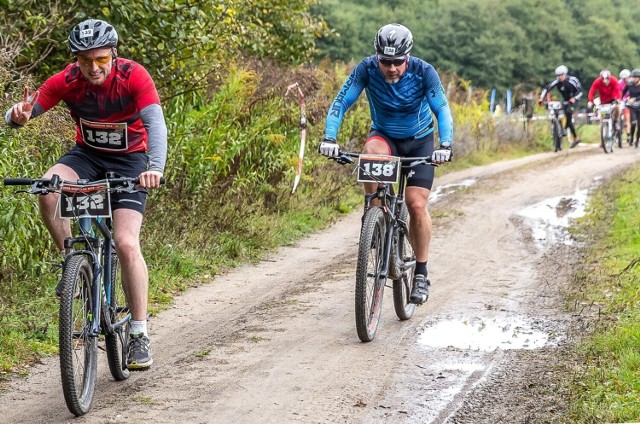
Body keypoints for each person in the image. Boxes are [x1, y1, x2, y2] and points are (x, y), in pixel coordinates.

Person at [4, 19, 167, 370]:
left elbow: (156, 124)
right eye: (85, 60)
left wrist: (154, 167)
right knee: (48, 188)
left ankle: (139, 333)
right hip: (87, 157)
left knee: (125, 242)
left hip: (132, 162)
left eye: (101, 60)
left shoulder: (134, 76)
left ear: (113, 54)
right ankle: (71, 263)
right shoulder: (68, 80)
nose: (93, 68)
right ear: (76, 60)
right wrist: (15, 117)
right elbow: (23, 114)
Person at [318, 23, 453, 305]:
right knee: (370, 153)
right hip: (384, 136)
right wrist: (329, 138)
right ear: (377, 57)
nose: (391, 68)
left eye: (397, 62)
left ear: (407, 58)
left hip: (419, 140)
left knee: (416, 203)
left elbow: (441, 107)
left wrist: (445, 145)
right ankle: (375, 217)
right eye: (385, 62)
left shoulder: (424, 72)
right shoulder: (366, 69)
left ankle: (421, 272)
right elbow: (341, 102)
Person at [538, 65, 583, 148]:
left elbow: (580, 92)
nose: (559, 77)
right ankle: (558, 129)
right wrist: (541, 98)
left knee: (568, 113)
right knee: (557, 110)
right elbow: (546, 88)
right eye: (558, 76)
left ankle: (572, 135)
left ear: (565, 74)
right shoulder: (557, 82)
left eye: (561, 75)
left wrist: (574, 98)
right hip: (565, 100)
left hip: (574, 100)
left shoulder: (572, 80)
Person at [622, 69, 640, 148]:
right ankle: (631, 138)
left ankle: (637, 141)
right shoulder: (629, 84)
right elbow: (623, 92)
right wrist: (621, 99)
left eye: (636, 77)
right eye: (633, 77)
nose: (634, 79)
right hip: (632, 107)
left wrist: (635, 99)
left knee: (639, 125)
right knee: (633, 123)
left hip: (639, 105)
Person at [619, 69, 632, 144]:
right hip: (622, 100)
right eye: (623, 78)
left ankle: (629, 135)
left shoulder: (632, 82)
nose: (625, 80)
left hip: (631, 100)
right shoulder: (620, 83)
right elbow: (618, 92)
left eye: (626, 78)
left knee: (628, 119)